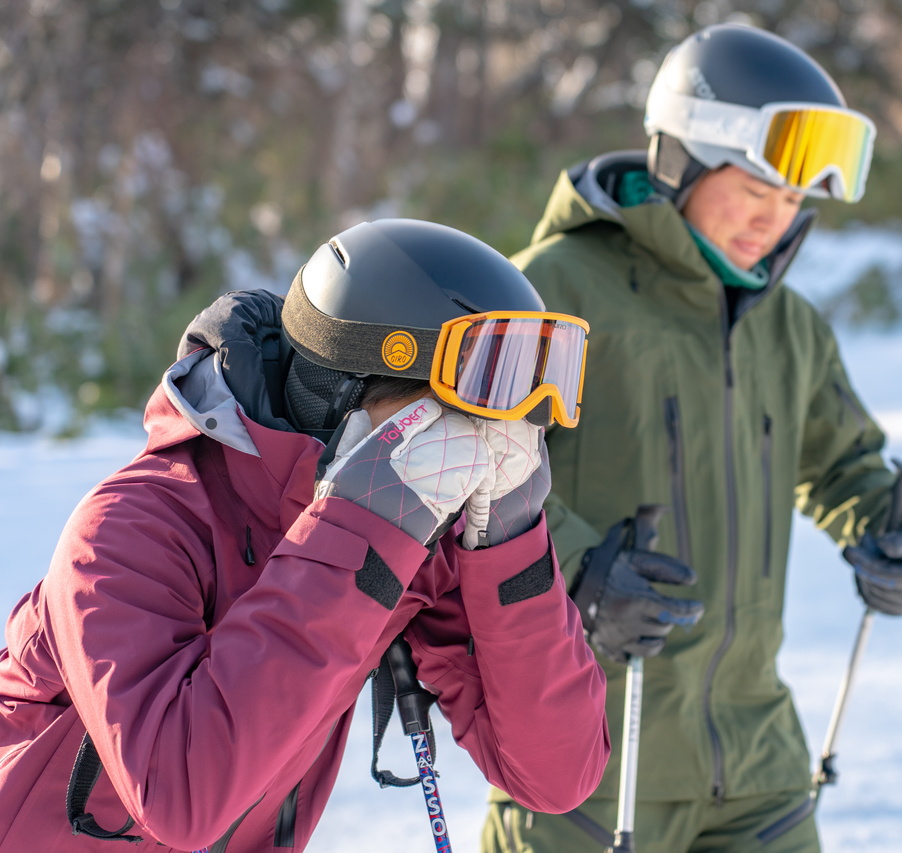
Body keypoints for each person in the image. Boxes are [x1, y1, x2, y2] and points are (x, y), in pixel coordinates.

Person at [480, 23, 902, 853]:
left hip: (759, 765)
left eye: (793, 201)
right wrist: (584, 570)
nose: (774, 222)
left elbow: (845, 465)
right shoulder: (552, 291)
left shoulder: (789, 327)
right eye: (755, 189)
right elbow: (466, 478)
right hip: (588, 765)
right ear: (685, 161)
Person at [0, 218, 609, 852]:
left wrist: (511, 544)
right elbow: (181, 797)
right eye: (451, 427)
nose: (477, 456)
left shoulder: (414, 540)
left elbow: (553, 774)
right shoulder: (130, 531)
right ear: (340, 395)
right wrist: (364, 522)